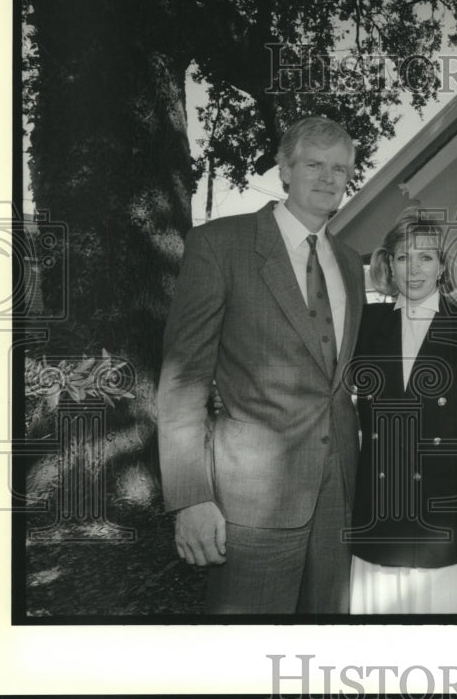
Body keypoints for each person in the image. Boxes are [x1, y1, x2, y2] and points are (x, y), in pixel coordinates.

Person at [156, 116, 364, 614]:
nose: (328, 177)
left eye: (340, 168)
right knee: (243, 650)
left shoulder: (351, 263)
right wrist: (190, 498)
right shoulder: (220, 246)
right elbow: (183, 383)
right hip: (251, 497)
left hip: (339, 490)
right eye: (314, 163)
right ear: (285, 170)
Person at [346, 210, 457, 614]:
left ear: (442, 266)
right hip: (379, 509)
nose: (413, 269)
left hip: (447, 512)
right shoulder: (364, 324)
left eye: (425, 257)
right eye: (402, 258)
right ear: (388, 265)